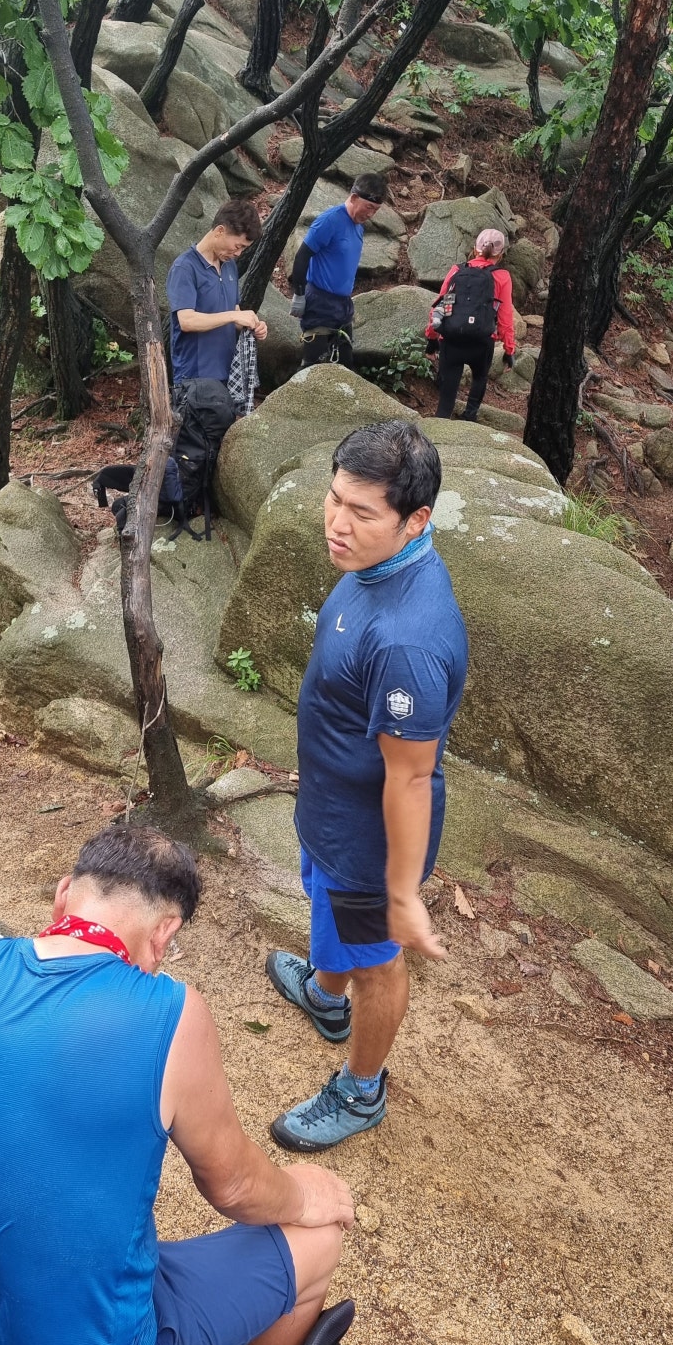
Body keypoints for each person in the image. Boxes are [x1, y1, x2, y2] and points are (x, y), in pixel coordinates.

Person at [0, 824, 354, 1345]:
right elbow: (234, 1187)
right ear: (164, 934)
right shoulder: (170, 1012)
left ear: (63, 896)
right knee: (319, 1238)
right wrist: (304, 1193)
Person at [266, 421, 468, 1151]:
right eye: (334, 499)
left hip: (366, 842)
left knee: (377, 961)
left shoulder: (409, 640)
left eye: (360, 512)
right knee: (335, 930)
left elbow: (412, 779)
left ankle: (361, 1089)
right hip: (332, 808)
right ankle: (326, 997)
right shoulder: (377, 565)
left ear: (417, 519)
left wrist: (403, 894)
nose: (336, 523)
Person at [289, 175, 388, 368]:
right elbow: (302, 256)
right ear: (353, 198)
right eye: (368, 207)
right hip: (319, 301)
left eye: (375, 210)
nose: (370, 214)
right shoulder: (330, 221)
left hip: (342, 306)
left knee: (345, 367)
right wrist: (299, 295)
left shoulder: (358, 227)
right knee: (313, 366)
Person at [166, 200, 268, 386]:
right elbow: (187, 321)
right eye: (238, 246)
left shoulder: (230, 266)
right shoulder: (185, 268)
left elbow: (233, 311)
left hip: (228, 372)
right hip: (195, 377)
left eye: (244, 248)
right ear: (220, 231)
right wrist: (232, 316)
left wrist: (253, 324)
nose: (239, 253)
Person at [427, 228, 516, 422]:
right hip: (481, 342)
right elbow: (505, 316)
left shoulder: (457, 270)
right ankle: (469, 416)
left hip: (452, 339)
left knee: (446, 397)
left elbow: (440, 305)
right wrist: (509, 350)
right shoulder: (502, 277)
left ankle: (441, 423)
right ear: (500, 254)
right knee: (479, 378)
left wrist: (432, 338)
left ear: (475, 249)